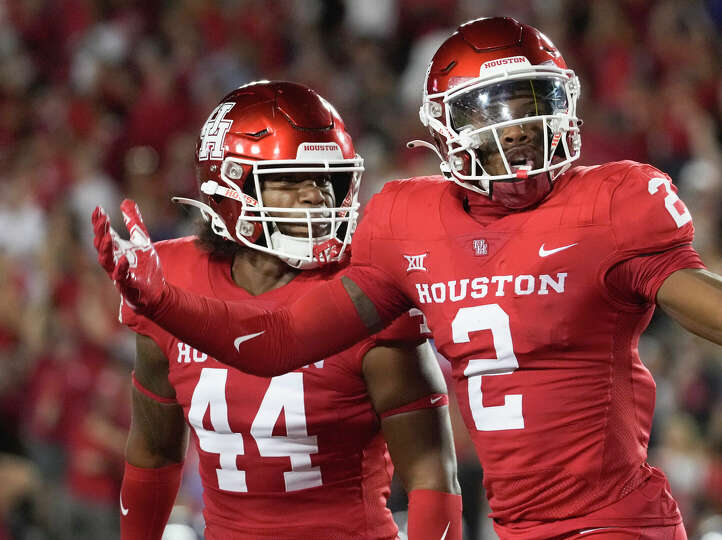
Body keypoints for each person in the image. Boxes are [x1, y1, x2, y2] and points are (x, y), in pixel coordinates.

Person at [93, 19, 722, 540]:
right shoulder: (403, 221)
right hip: (519, 527)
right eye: (495, 107)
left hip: (617, 519)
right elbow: (280, 341)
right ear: (442, 125)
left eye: (533, 103)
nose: (519, 126)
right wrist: (159, 299)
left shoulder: (612, 204)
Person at [110, 81, 461, 540]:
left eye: (324, 179)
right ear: (228, 186)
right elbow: (153, 453)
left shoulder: (365, 291)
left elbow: (431, 476)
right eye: (289, 180)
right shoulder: (171, 278)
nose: (315, 197)